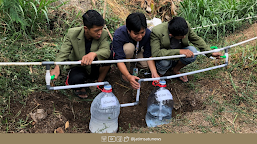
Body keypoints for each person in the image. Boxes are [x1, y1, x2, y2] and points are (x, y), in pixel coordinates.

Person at [50, 10, 111, 98]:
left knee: (109, 56)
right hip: (79, 66)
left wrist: (93, 54)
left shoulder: (103, 34)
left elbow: (106, 50)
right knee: (76, 78)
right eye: (96, 30)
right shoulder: (73, 34)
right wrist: (57, 66)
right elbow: (64, 52)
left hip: (94, 66)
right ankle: (77, 83)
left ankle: (99, 83)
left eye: (101, 29)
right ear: (86, 28)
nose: (100, 33)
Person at [151, 17, 223, 82]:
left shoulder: (184, 26)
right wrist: (179, 51)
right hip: (164, 57)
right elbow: (156, 53)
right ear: (171, 35)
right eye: (181, 37)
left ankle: (175, 70)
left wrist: (210, 53)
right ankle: (160, 74)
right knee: (164, 62)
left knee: (193, 51)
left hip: (177, 55)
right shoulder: (157, 32)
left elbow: (195, 39)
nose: (185, 37)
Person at [112, 12, 159, 89]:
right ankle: (125, 72)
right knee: (129, 48)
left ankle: (132, 65)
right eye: (136, 33)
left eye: (142, 32)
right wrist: (128, 76)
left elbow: (148, 55)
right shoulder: (119, 34)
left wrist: (154, 73)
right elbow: (119, 59)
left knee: (146, 65)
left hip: (137, 51)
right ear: (128, 30)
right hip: (126, 52)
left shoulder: (147, 34)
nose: (140, 36)